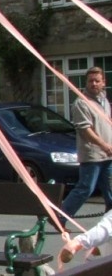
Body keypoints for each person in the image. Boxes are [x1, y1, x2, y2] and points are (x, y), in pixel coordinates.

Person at [60, 66, 112, 222]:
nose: (94, 84)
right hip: (92, 155)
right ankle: (60, 217)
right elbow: (85, 130)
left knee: (110, 190)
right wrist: (103, 145)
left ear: (103, 82)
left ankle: (110, 220)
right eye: (91, 81)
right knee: (85, 188)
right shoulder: (81, 103)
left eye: (97, 81)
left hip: (107, 154)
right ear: (86, 83)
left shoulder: (104, 101)